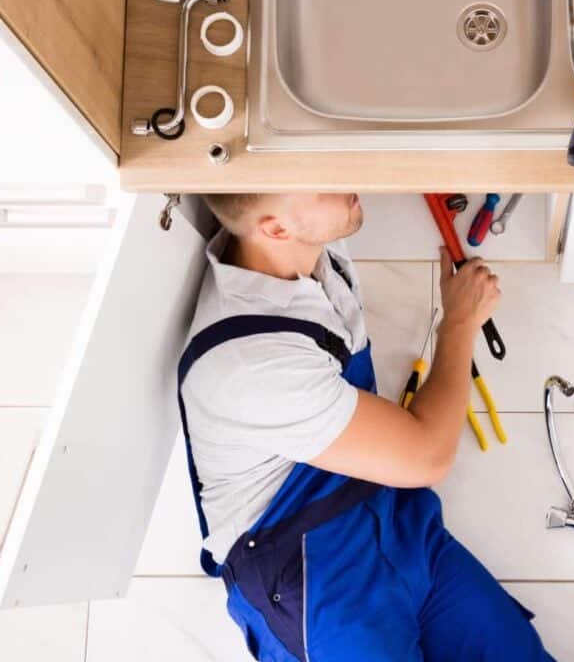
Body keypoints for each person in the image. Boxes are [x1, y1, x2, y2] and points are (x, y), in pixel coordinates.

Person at [176, 192, 553, 662]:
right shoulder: (253, 365)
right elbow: (427, 454)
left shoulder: (304, 248)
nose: (348, 180)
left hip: (391, 519)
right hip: (309, 576)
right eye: (324, 184)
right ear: (275, 228)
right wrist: (458, 323)